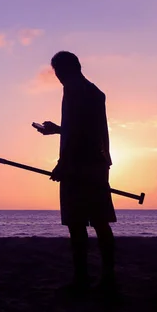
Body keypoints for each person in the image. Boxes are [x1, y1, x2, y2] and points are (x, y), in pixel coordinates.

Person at [34, 51, 117, 296]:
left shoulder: (73, 90)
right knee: (100, 222)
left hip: (79, 166)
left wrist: (63, 163)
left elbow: (81, 132)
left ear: (64, 69)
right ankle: (107, 278)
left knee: (77, 223)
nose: (58, 77)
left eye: (58, 71)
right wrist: (59, 130)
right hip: (98, 165)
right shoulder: (93, 92)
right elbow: (84, 128)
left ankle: (82, 280)